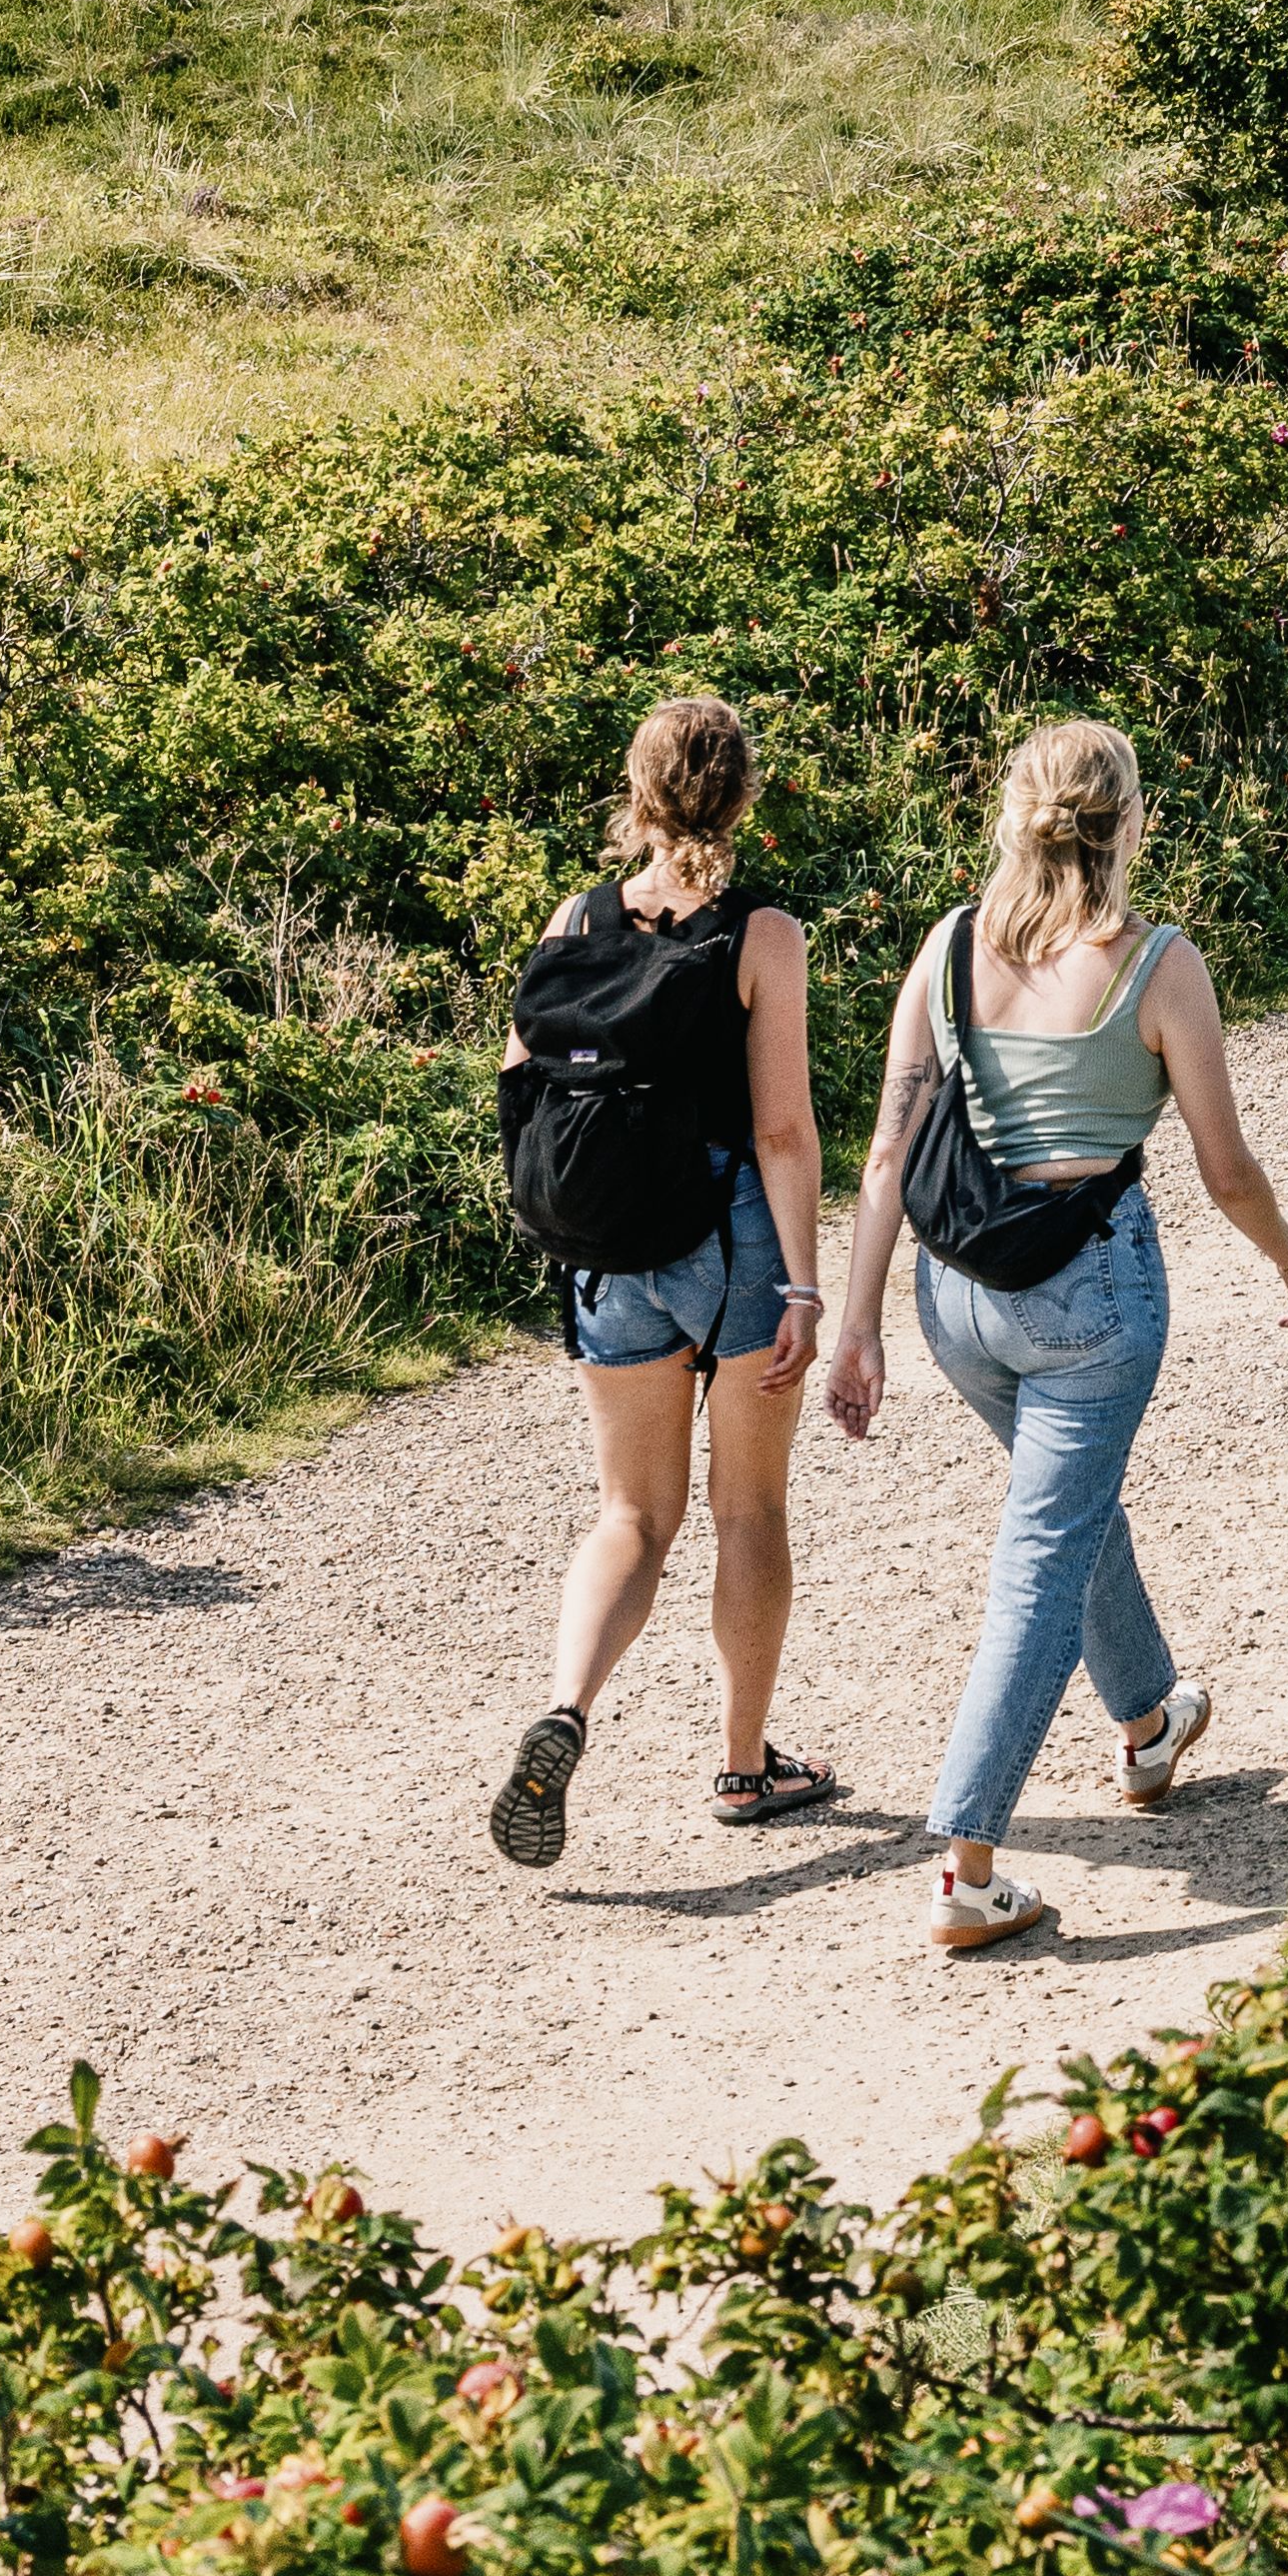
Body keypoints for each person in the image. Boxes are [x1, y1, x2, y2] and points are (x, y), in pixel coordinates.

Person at [826, 715, 1288, 1954]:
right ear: (1130, 821)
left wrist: (859, 1326)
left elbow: (887, 1151)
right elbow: (1224, 1167)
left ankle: (1149, 1719)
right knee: (1040, 1557)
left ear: (1015, 815)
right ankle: (966, 1865)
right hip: (1088, 1296)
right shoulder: (1159, 965)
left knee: (1068, 1503)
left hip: (956, 1296)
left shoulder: (950, 945)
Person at [487, 694, 839, 1867]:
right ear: (743, 797)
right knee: (748, 1508)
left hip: (610, 1252)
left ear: (636, 795)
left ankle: (567, 1705)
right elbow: (782, 1129)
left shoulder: (575, 917)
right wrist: (804, 1287)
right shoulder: (762, 934)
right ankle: (745, 1764)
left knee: (632, 1516)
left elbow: (522, 1079)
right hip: (731, 1244)